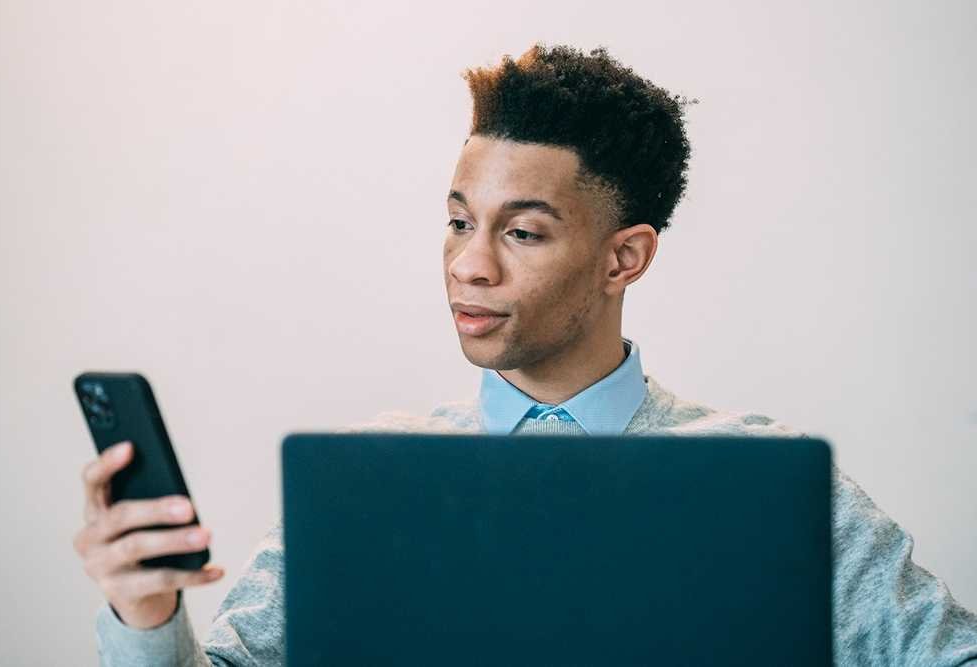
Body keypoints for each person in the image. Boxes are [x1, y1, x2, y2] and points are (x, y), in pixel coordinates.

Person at [73, 43, 977, 666]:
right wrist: (147, 613)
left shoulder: (772, 484)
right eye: (460, 221)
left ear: (626, 256)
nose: (469, 263)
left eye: (525, 232)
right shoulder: (366, 482)